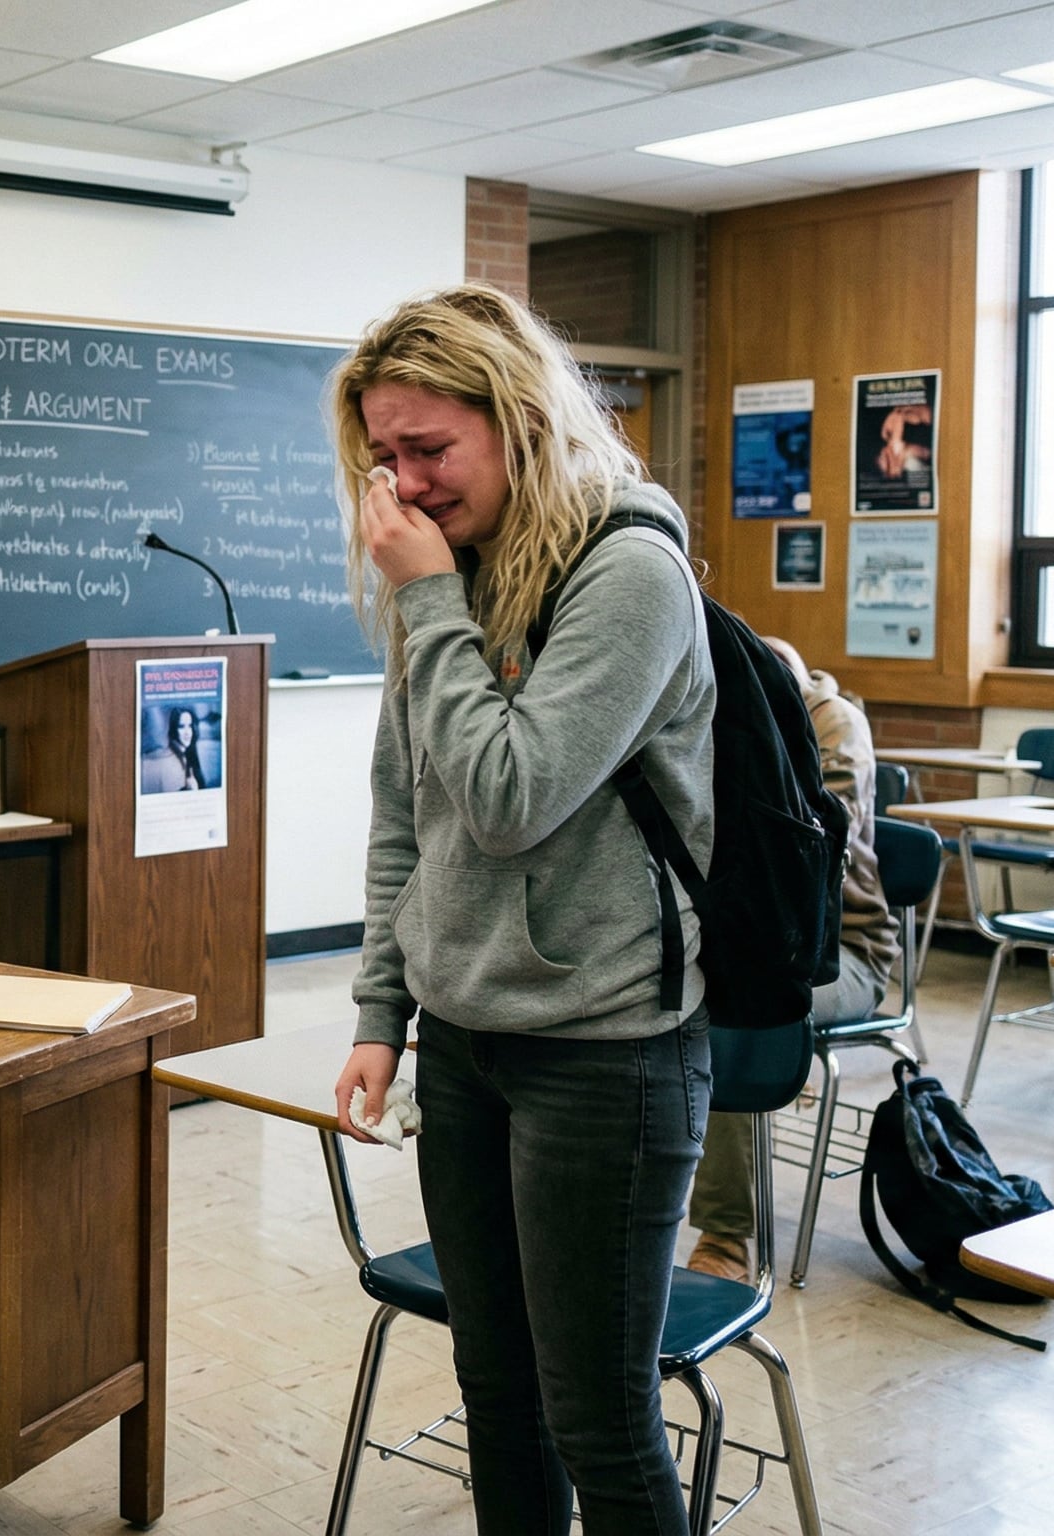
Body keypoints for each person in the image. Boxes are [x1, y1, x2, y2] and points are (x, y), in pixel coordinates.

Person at [329, 286, 717, 1536]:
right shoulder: (454, 578)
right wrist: (382, 1009)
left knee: (596, 1417)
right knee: (495, 1393)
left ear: (524, 421)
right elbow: (413, 819)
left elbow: (510, 800)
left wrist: (429, 600)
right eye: (385, 456)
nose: (405, 484)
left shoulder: (632, 573)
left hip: (607, 1057)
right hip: (469, 1042)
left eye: (431, 450)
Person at [683, 636, 899, 1280]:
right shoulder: (724, 713)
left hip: (846, 955)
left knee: (735, 1011)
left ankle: (727, 1237)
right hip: (758, 939)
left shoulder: (836, 723)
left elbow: (805, 844)